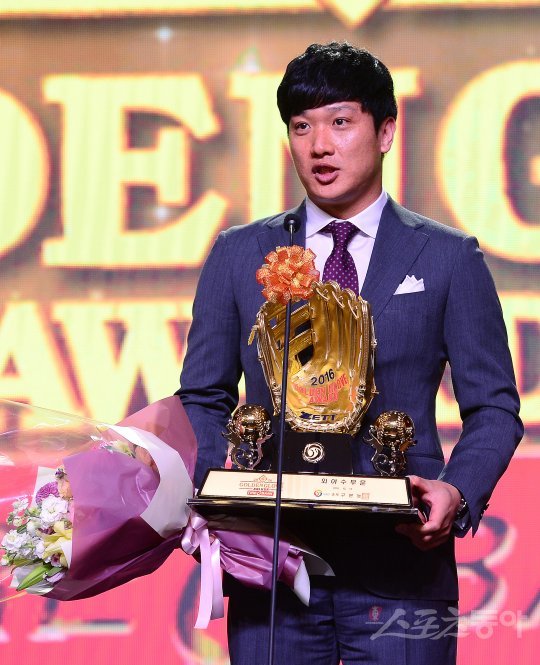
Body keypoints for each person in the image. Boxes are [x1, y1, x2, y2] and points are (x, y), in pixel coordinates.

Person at [177, 42, 522, 665]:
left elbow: (494, 408)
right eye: (301, 126)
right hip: (273, 567)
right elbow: (203, 395)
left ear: (385, 131)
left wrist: (457, 492)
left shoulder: (448, 257)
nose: (319, 146)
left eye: (340, 122)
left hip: (403, 566)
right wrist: (214, 493)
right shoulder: (239, 253)